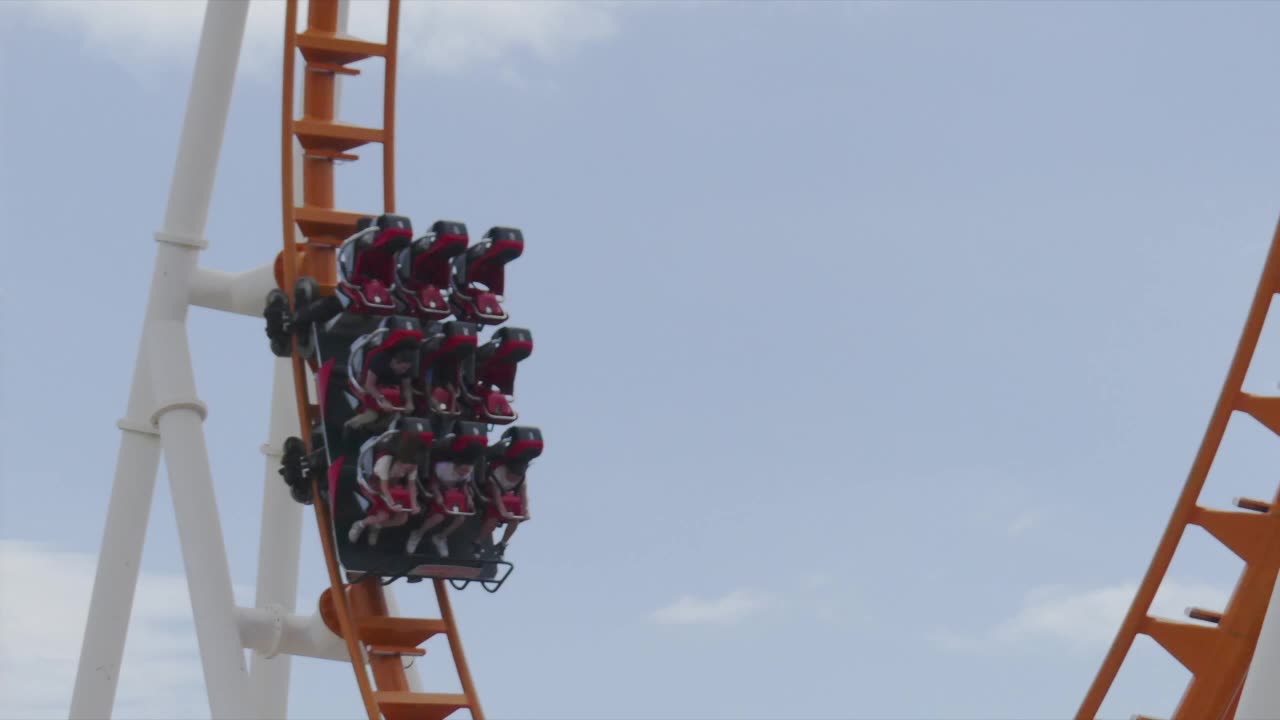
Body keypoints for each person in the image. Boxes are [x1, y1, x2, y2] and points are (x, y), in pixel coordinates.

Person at [348, 432, 424, 546]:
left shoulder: (412, 466)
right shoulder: (385, 461)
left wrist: (414, 504)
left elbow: (411, 485)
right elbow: (383, 486)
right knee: (383, 516)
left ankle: (377, 526)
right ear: (402, 460)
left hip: (392, 489)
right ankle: (359, 524)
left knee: (402, 519)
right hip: (374, 487)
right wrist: (391, 503)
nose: (410, 470)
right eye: (408, 468)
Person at [406, 458, 475, 557]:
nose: (464, 473)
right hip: (439, 492)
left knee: (461, 518)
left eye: (467, 471)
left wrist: (469, 498)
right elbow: (433, 483)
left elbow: (464, 485)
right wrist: (438, 494)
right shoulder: (443, 468)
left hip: (454, 494)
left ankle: (441, 537)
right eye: (463, 470)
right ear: (456, 466)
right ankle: (418, 533)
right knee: (438, 517)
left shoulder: (467, 471)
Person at [344, 342, 416, 435]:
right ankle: (349, 426)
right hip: (372, 389)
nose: (404, 371)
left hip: (390, 391)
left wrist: (409, 402)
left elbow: (407, 387)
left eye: (406, 369)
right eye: (402, 368)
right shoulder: (379, 361)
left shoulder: (405, 368)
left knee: (394, 417)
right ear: (394, 362)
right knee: (372, 415)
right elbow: (369, 385)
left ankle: (375, 432)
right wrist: (382, 400)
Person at [476, 459, 529, 558]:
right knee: (492, 521)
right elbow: (497, 497)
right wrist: (503, 512)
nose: (514, 481)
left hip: (507, 498)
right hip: (493, 497)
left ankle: (502, 543)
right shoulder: (498, 474)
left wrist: (525, 511)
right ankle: (478, 542)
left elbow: (524, 495)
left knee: (515, 521)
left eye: (516, 479)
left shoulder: (522, 478)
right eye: (512, 478)